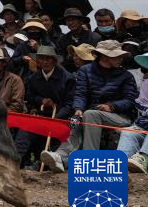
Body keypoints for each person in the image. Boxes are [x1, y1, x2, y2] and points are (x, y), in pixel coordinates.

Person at [41, 40, 139, 172]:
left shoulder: (126, 76)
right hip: (92, 113)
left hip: (121, 116)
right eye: (117, 55)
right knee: (77, 120)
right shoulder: (85, 70)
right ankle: (60, 157)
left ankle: (89, 160)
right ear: (104, 56)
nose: (121, 58)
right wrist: (78, 110)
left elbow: (130, 100)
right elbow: (80, 94)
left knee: (89, 114)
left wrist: (112, 106)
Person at [14, 45, 73, 166]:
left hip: (61, 118)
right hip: (40, 117)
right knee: (24, 131)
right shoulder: (32, 78)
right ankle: (14, 162)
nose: (45, 62)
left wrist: (57, 117)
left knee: (53, 149)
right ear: (37, 61)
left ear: (54, 61)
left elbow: (70, 103)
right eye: (41, 58)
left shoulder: (67, 78)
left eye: (48, 59)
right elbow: (30, 99)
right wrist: (40, 101)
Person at [119, 53, 148, 173]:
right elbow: (140, 103)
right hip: (145, 122)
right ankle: (120, 161)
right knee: (128, 132)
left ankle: (144, 158)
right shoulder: (146, 82)